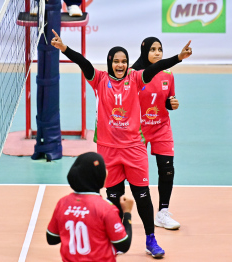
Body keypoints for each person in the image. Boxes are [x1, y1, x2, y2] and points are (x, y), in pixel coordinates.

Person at [50, 29, 192, 258]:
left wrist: (178, 58)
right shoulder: (99, 80)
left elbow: (155, 67)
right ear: (109, 62)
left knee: (142, 196)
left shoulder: (136, 78)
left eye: (124, 61)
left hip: (134, 148)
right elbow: (83, 62)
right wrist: (64, 48)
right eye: (116, 61)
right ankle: (114, 240)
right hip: (108, 150)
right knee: (113, 198)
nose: (120, 65)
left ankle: (150, 240)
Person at [131, 37, 184, 230]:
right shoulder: (133, 74)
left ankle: (162, 213)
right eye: (153, 49)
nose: (157, 53)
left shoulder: (168, 75)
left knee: (167, 168)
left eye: (160, 49)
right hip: (138, 129)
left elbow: (169, 99)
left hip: (161, 126)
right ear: (144, 51)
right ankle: (122, 211)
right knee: (137, 172)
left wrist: (172, 103)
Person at [47, 152, 134, 262]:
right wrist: (127, 213)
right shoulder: (106, 208)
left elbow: (52, 239)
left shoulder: (63, 203)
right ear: (100, 177)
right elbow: (123, 245)